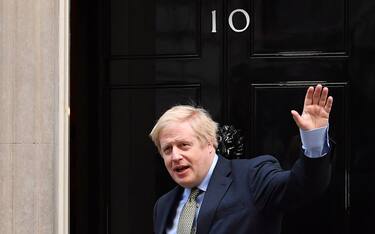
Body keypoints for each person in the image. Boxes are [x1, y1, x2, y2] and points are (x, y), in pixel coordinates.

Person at [149, 84, 333, 234]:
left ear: (210, 143)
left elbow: (303, 186)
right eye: (167, 149)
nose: (175, 156)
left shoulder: (252, 177)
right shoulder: (164, 205)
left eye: (183, 145)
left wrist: (314, 141)